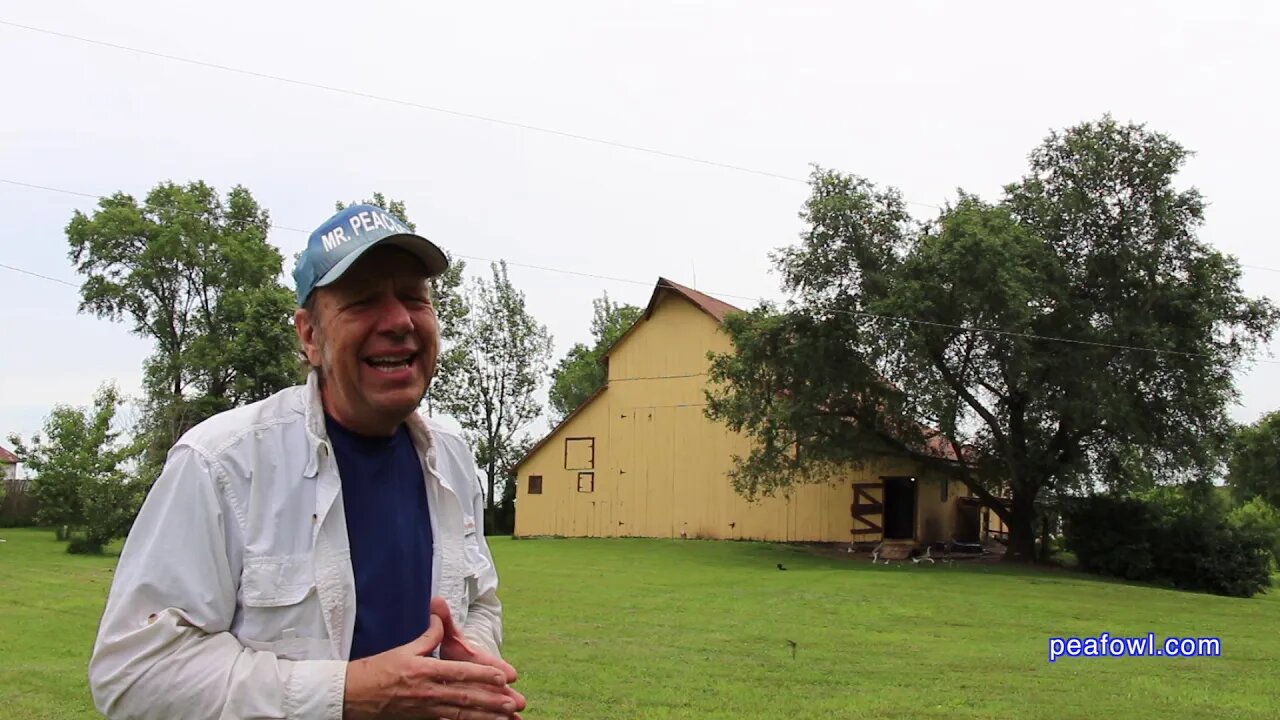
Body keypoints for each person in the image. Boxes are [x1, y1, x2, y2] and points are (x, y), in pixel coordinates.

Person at [88, 204, 526, 720]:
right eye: (363, 302)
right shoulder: (220, 463)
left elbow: (479, 601)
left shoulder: (451, 456)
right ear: (310, 336)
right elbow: (134, 674)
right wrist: (346, 693)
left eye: (414, 298)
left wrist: (464, 668)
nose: (400, 321)